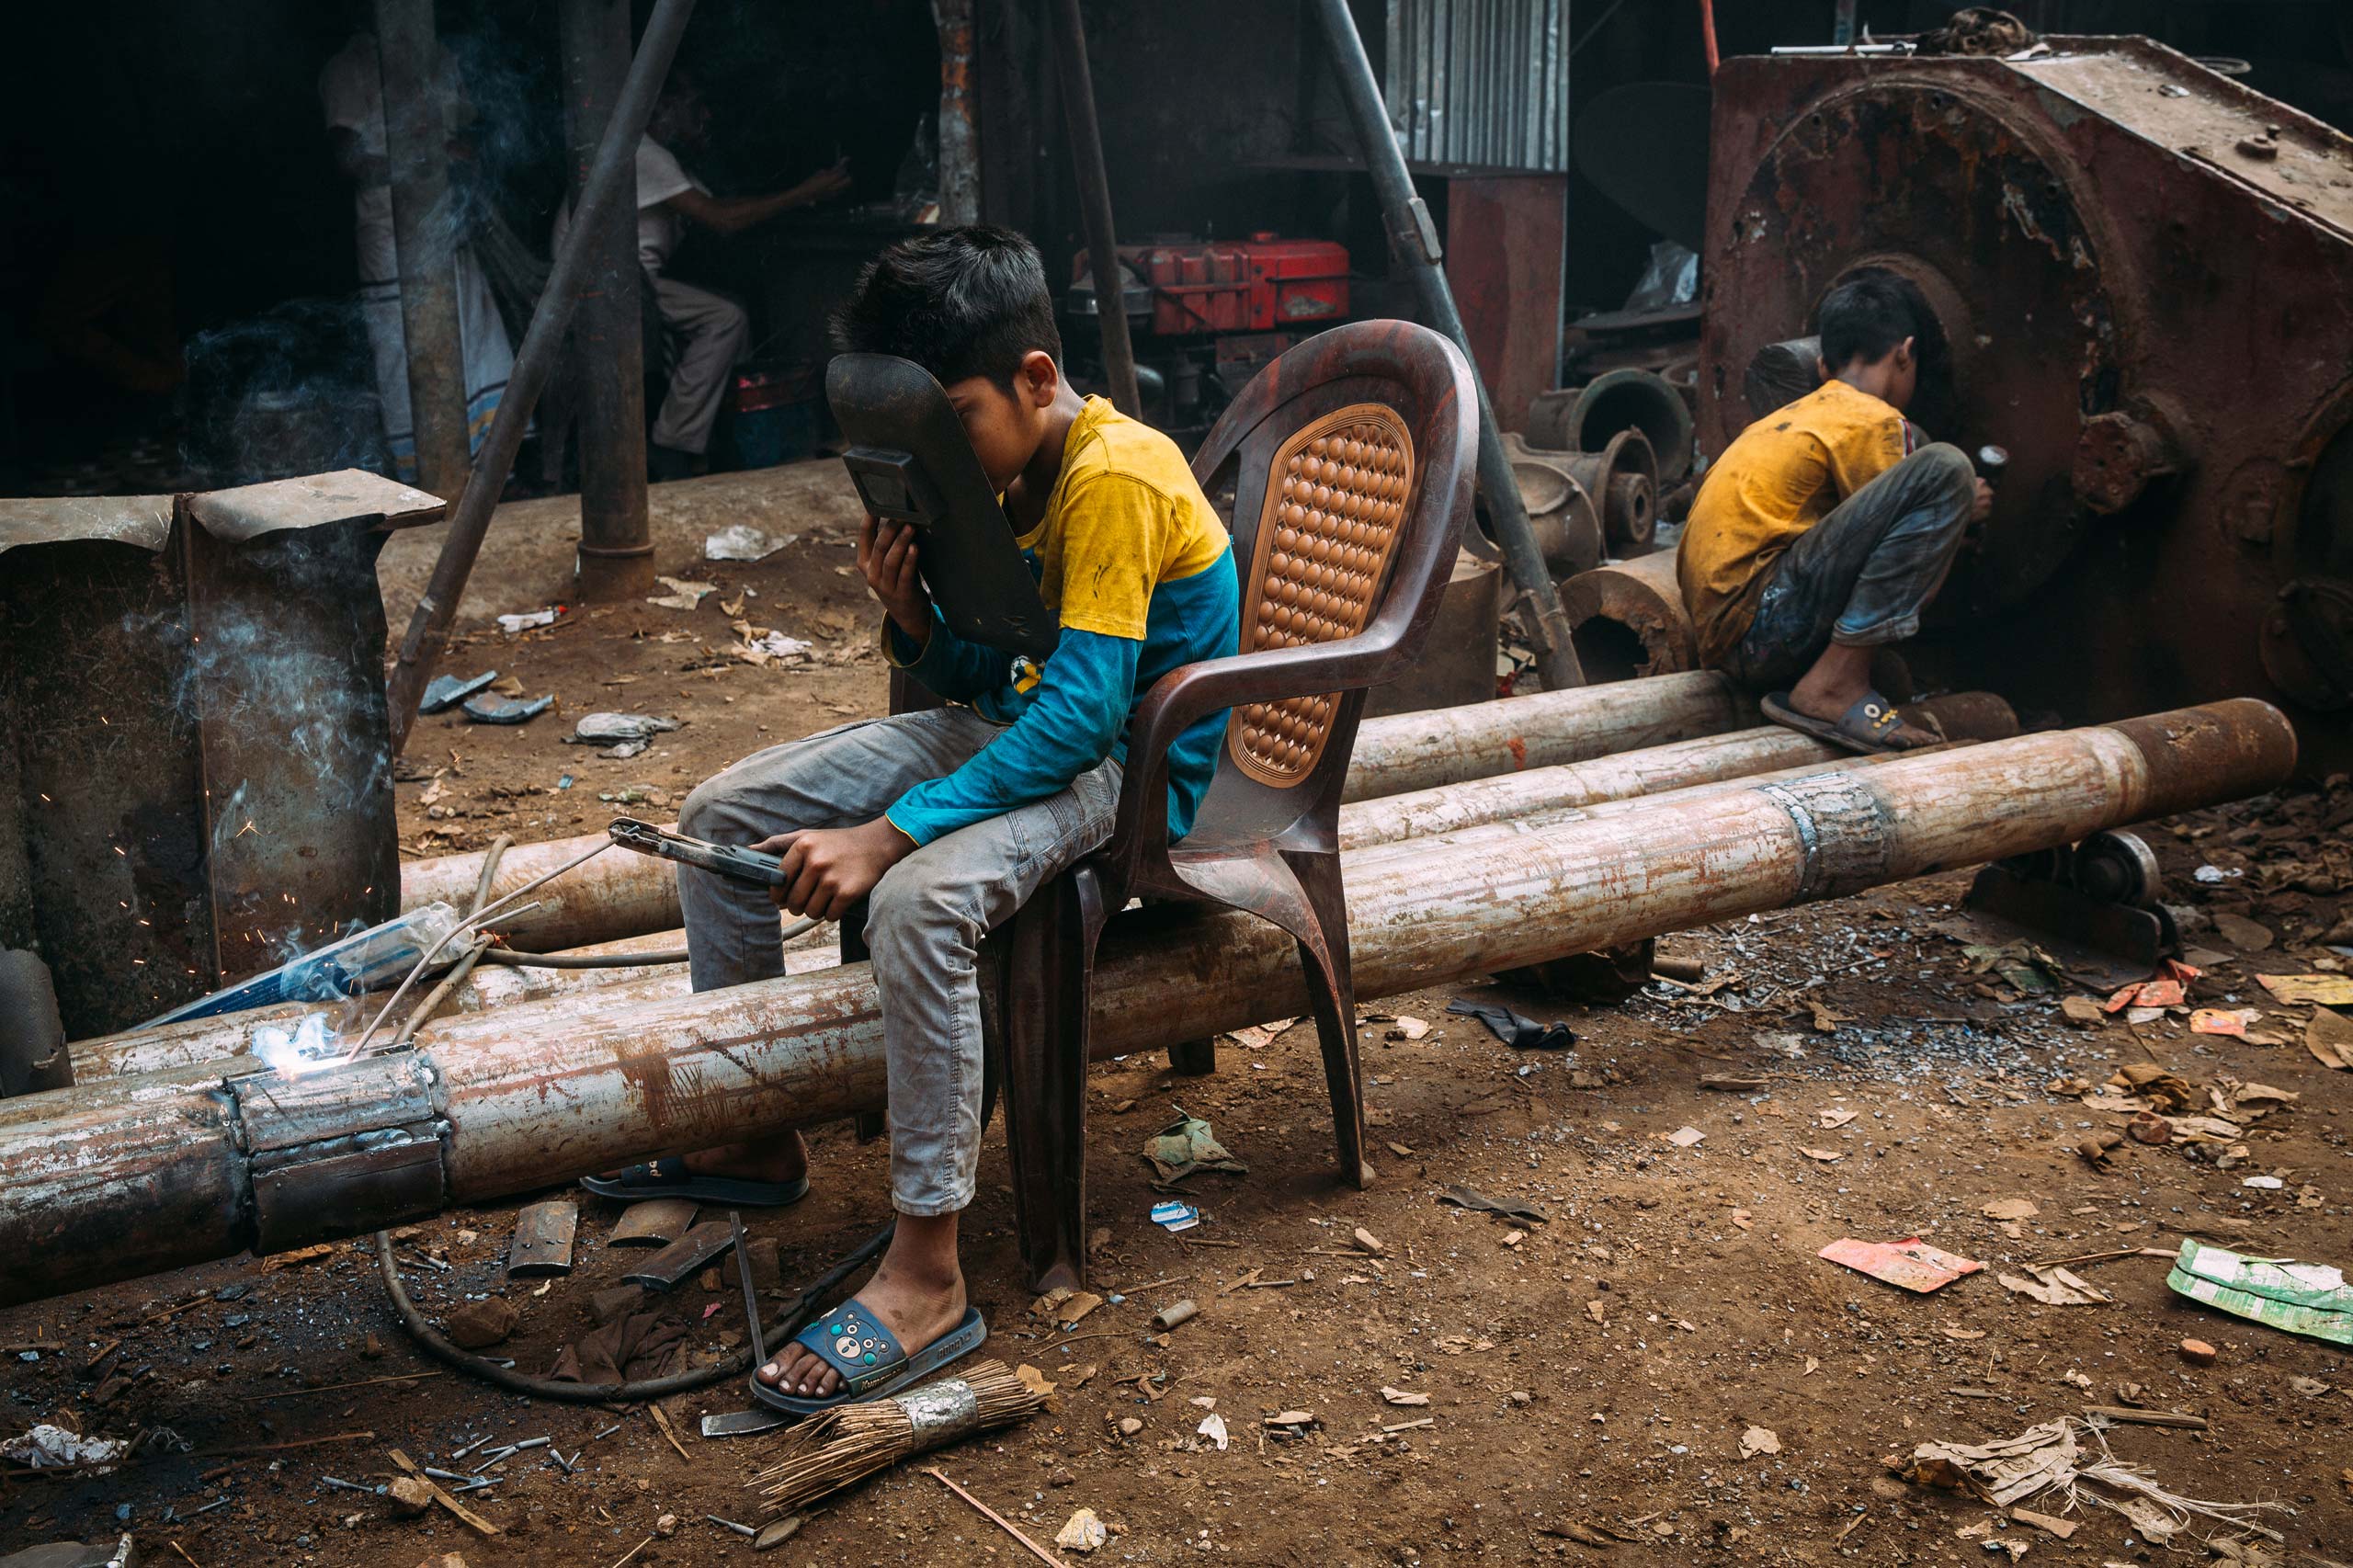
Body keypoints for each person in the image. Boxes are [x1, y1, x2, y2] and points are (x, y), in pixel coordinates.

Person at [581, 226, 1241, 1408]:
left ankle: (929, 1266)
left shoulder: (1115, 477)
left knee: (919, 899)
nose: (943, 450)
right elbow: (992, 675)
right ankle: (754, 1128)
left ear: (1037, 380)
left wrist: (894, 831)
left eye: (959, 414)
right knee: (722, 806)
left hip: (1121, 769)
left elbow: (1086, 717)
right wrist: (915, 622)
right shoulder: (1003, 469)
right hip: (1024, 732)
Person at [1677, 272, 1994, 752]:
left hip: (1728, 637)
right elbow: (1901, 576)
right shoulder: (1876, 419)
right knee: (1946, 468)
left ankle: (1832, 678)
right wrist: (1963, 504)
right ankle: (1831, 686)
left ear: (1823, 365)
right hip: (1763, 626)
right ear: (1905, 352)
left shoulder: (1787, 419)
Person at [621, 76, 850, 479]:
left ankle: (723, 434)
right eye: (695, 106)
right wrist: (799, 194)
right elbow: (722, 220)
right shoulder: (643, 152)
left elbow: (720, 205)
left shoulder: (664, 159)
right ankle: (672, 443)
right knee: (726, 317)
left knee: (729, 316)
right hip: (618, 283)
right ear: (663, 109)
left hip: (637, 280)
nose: (706, 116)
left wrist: (801, 194)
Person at [318, 30, 517, 484]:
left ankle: (487, 474)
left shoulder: (440, 55)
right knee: (404, 351)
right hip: (391, 232)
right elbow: (348, 157)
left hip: (450, 224)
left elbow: (467, 133)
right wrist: (424, 160)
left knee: (474, 338)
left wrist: (465, 171)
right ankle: (423, 478)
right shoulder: (350, 68)